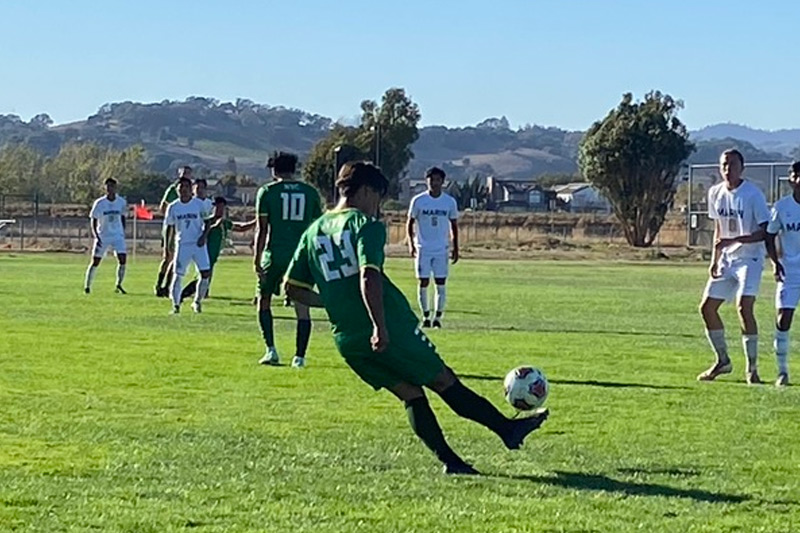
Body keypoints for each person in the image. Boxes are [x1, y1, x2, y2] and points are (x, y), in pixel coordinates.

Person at [284, 161, 548, 475]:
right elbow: (369, 276)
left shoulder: (313, 231)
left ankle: (454, 462)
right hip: (388, 327)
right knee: (443, 380)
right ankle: (507, 431)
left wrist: (335, 303)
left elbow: (292, 289)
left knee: (410, 394)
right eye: (377, 197)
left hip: (347, 339)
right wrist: (379, 326)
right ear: (367, 190)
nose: (377, 206)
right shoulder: (364, 225)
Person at [698, 149, 770, 384]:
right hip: (727, 259)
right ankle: (723, 361)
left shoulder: (752, 194)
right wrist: (715, 258)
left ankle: (752, 369)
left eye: (733, 164)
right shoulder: (715, 193)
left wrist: (737, 240)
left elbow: (765, 232)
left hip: (750, 259)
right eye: (724, 165)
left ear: (742, 167)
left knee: (743, 306)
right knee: (707, 308)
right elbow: (719, 228)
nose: (728, 169)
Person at [254, 151, 323, 368]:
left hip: (275, 254)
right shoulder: (310, 193)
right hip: (301, 257)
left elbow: (262, 229)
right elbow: (317, 229)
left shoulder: (267, 191)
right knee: (302, 306)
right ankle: (299, 357)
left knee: (263, 300)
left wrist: (256, 259)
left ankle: (271, 350)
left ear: (274, 170)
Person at [407, 167, 459, 328]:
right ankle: (425, 316)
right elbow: (409, 222)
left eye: (437, 180)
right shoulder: (418, 201)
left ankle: (438, 317)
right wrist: (411, 243)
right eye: (431, 179)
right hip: (423, 248)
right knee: (423, 282)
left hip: (441, 249)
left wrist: (455, 247)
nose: (434, 183)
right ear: (426, 181)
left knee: (440, 282)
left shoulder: (449, 202)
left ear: (442, 182)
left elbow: (454, 225)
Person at [763, 161, 800, 387]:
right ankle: (782, 371)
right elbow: (769, 235)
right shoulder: (781, 207)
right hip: (790, 272)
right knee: (783, 319)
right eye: (797, 174)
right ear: (791, 179)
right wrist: (775, 263)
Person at [180, 196, 255, 301]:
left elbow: (241, 228)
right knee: (203, 275)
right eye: (218, 207)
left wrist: (255, 221)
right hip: (204, 252)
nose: (220, 210)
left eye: (222, 208)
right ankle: (184, 294)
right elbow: (202, 232)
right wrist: (215, 225)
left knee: (206, 275)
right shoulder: (208, 220)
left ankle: (201, 293)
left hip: (214, 253)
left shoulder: (224, 222)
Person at [163, 176, 212, 314]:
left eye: (186, 187)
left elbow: (207, 221)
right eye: (181, 188)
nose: (183, 190)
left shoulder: (198, 204)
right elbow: (170, 227)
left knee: (205, 273)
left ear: (191, 189)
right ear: (177, 190)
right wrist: (168, 246)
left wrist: (203, 236)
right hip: (182, 245)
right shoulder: (173, 207)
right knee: (178, 275)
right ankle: (176, 305)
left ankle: (197, 301)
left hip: (198, 244)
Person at [84, 178, 128, 294]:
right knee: (96, 261)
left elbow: (123, 217)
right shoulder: (100, 203)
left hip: (117, 235)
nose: (110, 189)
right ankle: (87, 286)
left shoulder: (121, 202)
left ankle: (119, 284)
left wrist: (122, 231)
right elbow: (93, 219)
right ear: (105, 188)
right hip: (103, 235)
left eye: (112, 186)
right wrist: (96, 235)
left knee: (122, 259)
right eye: (108, 186)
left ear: (115, 187)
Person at [155, 166, 192, 297]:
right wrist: (172, 217)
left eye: (188, 173)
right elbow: (163, 206)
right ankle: (159, 284)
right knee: (168, 257)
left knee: (176, 259)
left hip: (183, 230)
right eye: (183, 173)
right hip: (172, 228)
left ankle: (168, 286)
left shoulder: (190, 191)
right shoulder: (172, 189)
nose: (185, 175)